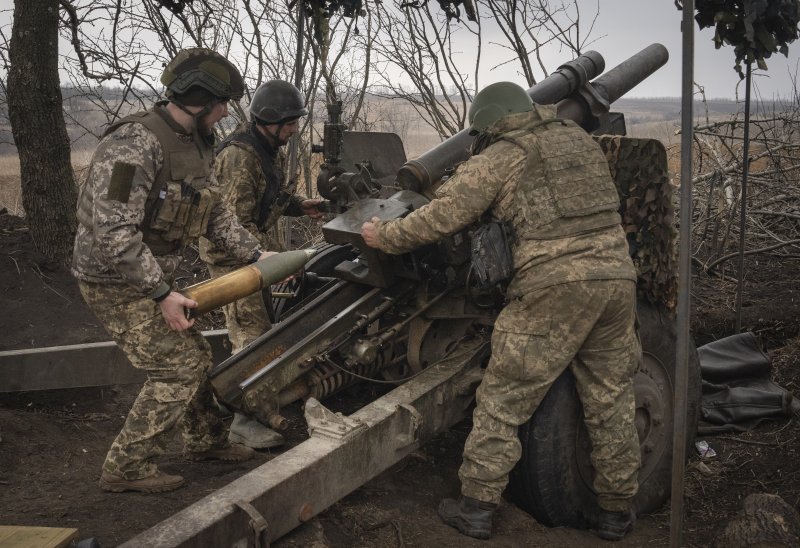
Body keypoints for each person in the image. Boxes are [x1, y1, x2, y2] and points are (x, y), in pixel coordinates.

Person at [361, 82, 642, 541]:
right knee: (610, 398)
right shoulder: (579, 140)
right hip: (616, 279)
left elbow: (442, 216)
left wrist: (383, 236)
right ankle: (616, 511)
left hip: (554, 287)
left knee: (503, 398)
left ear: (490, 124)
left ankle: (476, 506)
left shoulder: (502, 155)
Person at [72, 48, 275, 494]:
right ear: (198, 98)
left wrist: (256, 256)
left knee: (198, 356)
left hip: (147, 275)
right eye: (222, 102)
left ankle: (204, 440)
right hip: (112, 279)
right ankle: (126, 466)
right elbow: (114, 231)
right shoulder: (133, 146)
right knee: (177, 368)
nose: (226, 112)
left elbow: (217, 213)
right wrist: (162, 293)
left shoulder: (198, 141)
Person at [199, 79, 323, 449]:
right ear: (269, 119)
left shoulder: (269, 149)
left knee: (263, 331)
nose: (294, 128)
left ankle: (243, 405)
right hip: (233, 261)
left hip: (255, 257)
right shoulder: (240, 156)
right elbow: (233, 225)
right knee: (252, 339)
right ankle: (245, 421)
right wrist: (279, 260)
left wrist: (301, 205)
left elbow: (271, 197)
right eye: (289, 121)